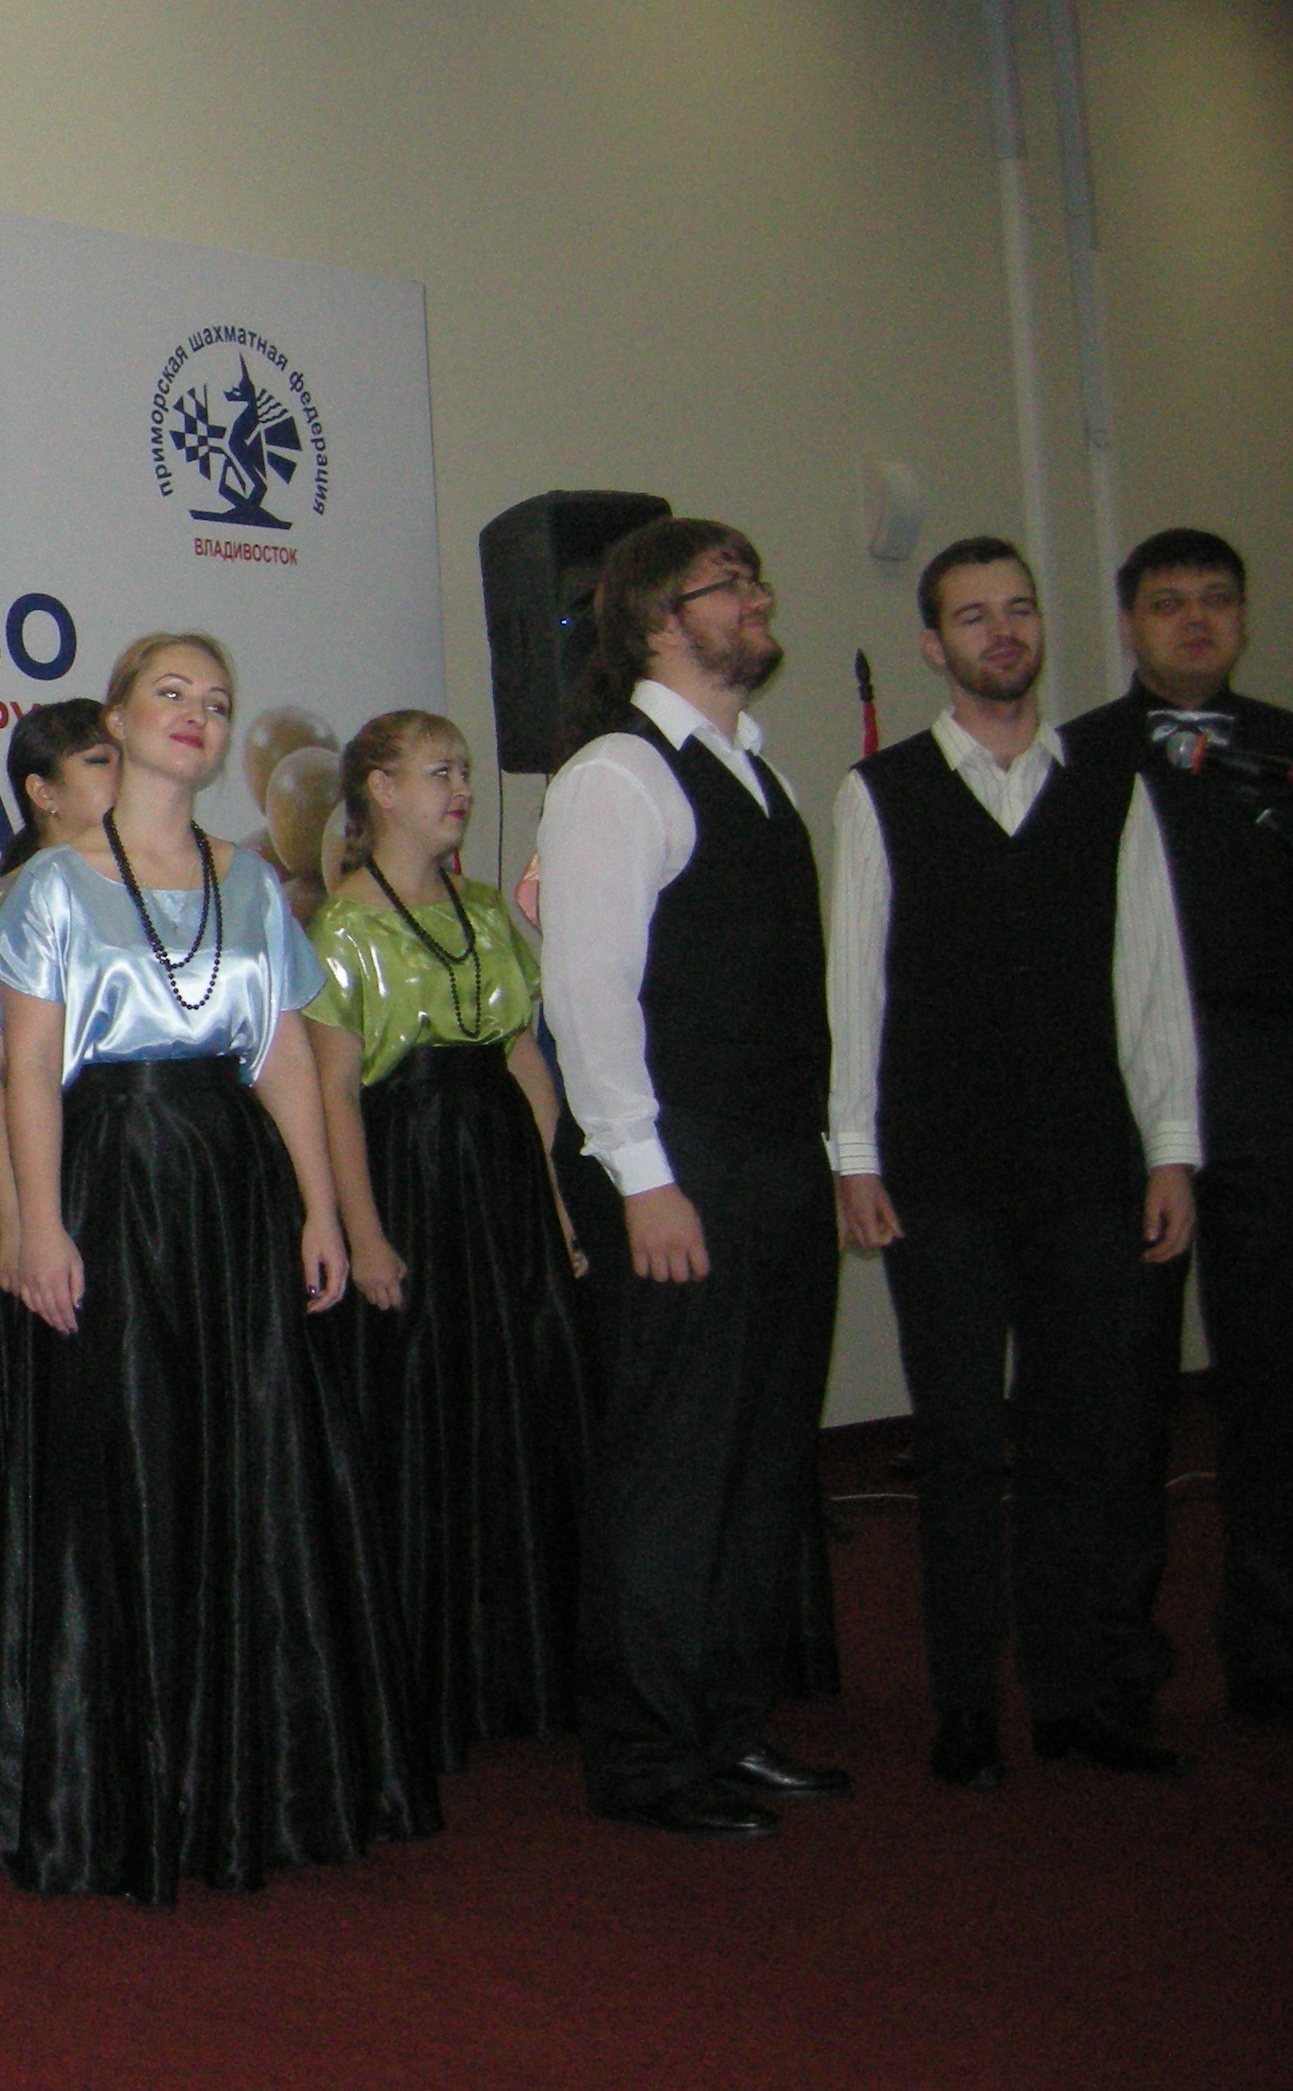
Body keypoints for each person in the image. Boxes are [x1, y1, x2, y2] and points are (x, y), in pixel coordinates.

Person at [0, 633, 433, 1903]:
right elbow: (27, 1066)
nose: (196, 715)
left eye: (217, 702)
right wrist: (35, 1225)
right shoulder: (51, 887)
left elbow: (283, 1056)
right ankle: (127, 1792)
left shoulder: (252, 883)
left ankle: (261, 1778)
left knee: (256, 1458)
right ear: (119, 722)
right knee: (129, 1457)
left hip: (232, 1189)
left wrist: (320, 1209)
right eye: (170, 694)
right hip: (110, 1182)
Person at [832, 537, 1200, 1791]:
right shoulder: (882, 793)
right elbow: (855, 992)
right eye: (974, 616)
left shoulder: (1111, 789)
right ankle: (964, 1702)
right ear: (933, 646)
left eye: (1019, 610)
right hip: (936, 1173)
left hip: (1087, 1166)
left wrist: (1172, 1149)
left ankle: (1072, 1694)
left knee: (1078, 1438)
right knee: (954, 1443)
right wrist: (853, 1154)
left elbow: (1151, 983)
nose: (1002, 632)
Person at [534, 518, 848, 1841]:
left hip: (775, 1158)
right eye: (732, 585)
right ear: (661, 618)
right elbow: (588, 993)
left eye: (757, 578)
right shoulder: (617, 774)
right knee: (674, 1466)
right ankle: (651, 1757)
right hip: (678, 1161)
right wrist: (645, 1177)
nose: (759, 599)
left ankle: (728, 1724)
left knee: (762, 1460)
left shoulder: (757, 774)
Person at [306, 710, 594, 1769]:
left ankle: (531, 1659)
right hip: (412, 1174)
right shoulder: (342, 925)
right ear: (380, 790)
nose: (462, 789)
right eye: (439, 772)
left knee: (523, 1402)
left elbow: (523, 1058)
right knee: (430, 1415)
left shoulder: (481, 909)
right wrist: (364, 1233)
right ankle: (435, 1674)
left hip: (501, 1177)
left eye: (465, 770)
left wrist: (559, 1202)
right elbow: (335, 1092)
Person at [1065, 528, 1293, 1733]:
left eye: (1216, 599)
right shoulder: (1075, 760)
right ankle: (1115, 1655)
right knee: (1123, 1387)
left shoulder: (1288, 751)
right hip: (1121, 1098)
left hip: (1267, 1086)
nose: (1195, 619)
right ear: (1129, 626)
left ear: (1244, 619)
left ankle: (1273, 1644)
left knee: (1275, 1381)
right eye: (1167, 603)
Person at [0, 699, 116, 1748]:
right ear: (42, 792)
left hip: (152, 1193)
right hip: (60, 1193)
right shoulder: (5, 910)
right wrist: (14, 1222)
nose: (121, 777)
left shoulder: (165, 889)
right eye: (99, 762)